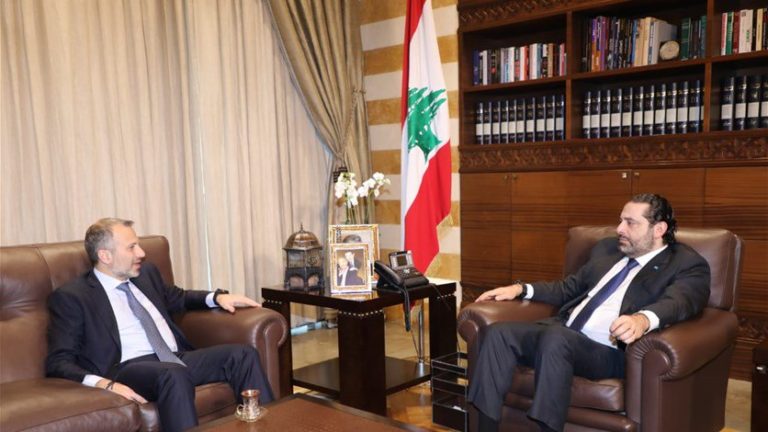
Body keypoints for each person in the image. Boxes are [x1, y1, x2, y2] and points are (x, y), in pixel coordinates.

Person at [467, 194, 710, 432]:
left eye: (630, 223)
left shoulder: (685, 263)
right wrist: (520, 289)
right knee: (497, 333)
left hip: (607, 352)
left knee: (557, 338)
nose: (620, 229)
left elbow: (681, 301)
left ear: (658, 229)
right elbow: (568, 288)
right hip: (563, 332)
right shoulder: (608, 250)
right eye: (621, 220)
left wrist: (643, 318)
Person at [46, 218, 274, 432]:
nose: (141, 253)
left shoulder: (146, 274)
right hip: (128, 368)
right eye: (131, 247)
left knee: (242, 355)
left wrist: (217, 297)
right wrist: (105, 384)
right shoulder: (74, 296)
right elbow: (59, 361)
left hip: (174, 358)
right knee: (173, 374)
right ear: (105, 255)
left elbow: (178, 297)